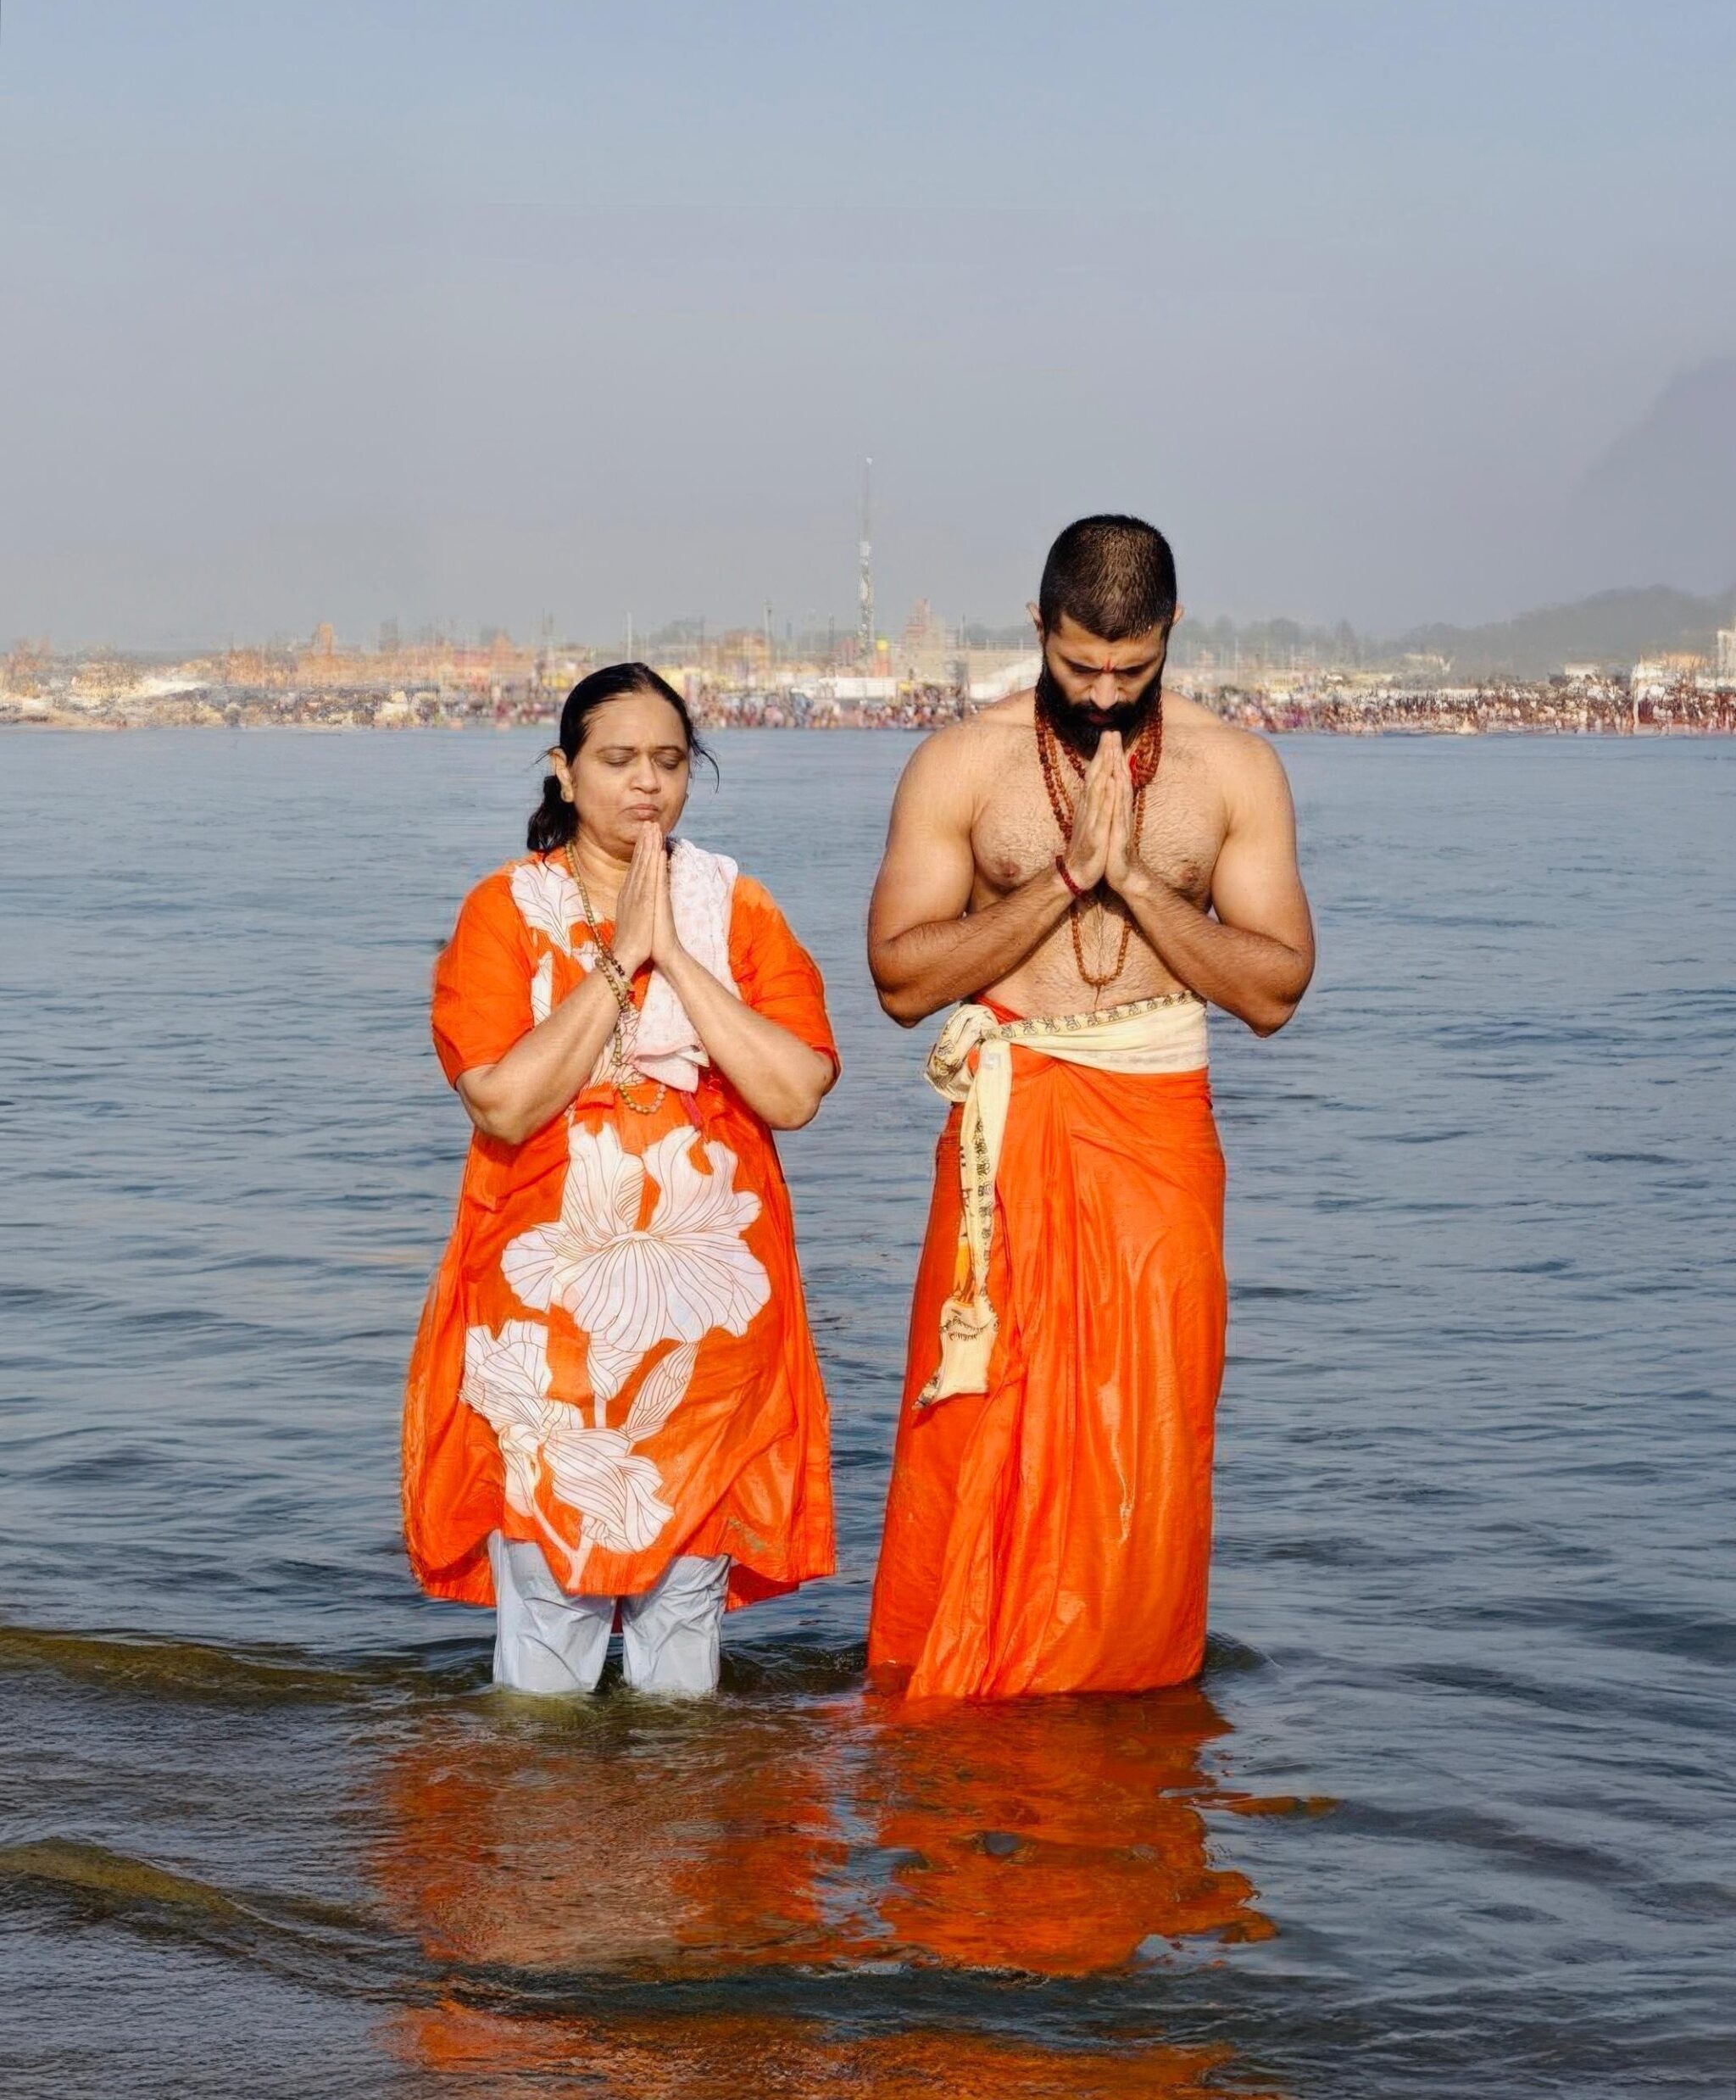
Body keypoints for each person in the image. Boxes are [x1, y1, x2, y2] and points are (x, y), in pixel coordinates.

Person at [865, 516, 1315, 1700]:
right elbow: (903, 981)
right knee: (976, 1422)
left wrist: (1139, 891)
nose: (1105, 695)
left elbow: (1273, 989)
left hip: (1159, 1129)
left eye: (1131, 667)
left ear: (1171, 637)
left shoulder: (1234, 772)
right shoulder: (964, 764)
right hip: (1010, 1128)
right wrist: (1066, 881)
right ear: (1038, 628)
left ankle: (1122, 1706)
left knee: (1147, 1437)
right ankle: (956, 1703)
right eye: (1079, 667)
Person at [403, 664, 839, 1696]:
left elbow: (794, 1090)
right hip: (546, 1319)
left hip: (711, 1320)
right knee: (548, 1628)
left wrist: (676, 958)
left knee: (683, 1642)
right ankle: (542, 1852)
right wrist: (615, 966)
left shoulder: (735, 906)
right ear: (564, 771)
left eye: (669, 761)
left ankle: (673, 1844)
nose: (645, 783)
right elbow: (504, 1101)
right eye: (616, 760)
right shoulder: (504, 910)